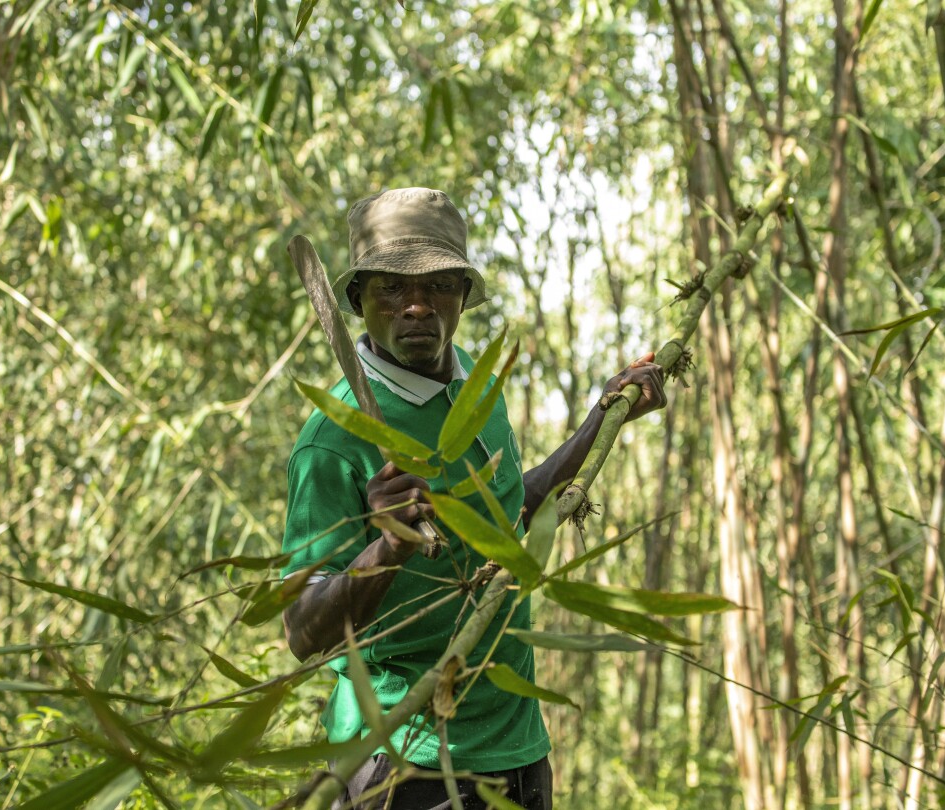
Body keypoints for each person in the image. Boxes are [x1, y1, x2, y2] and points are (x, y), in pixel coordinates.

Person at [281, 187, 666, 809]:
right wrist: (389, 546)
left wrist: (605, 414)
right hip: (403, 760)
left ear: (462, 295)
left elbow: (510, 514)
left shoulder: (475, 384)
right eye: (390, 288)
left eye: (437, 285)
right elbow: (302, 631)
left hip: (516, 746)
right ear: (357, 301)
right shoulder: (331, 441)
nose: (415, 306)